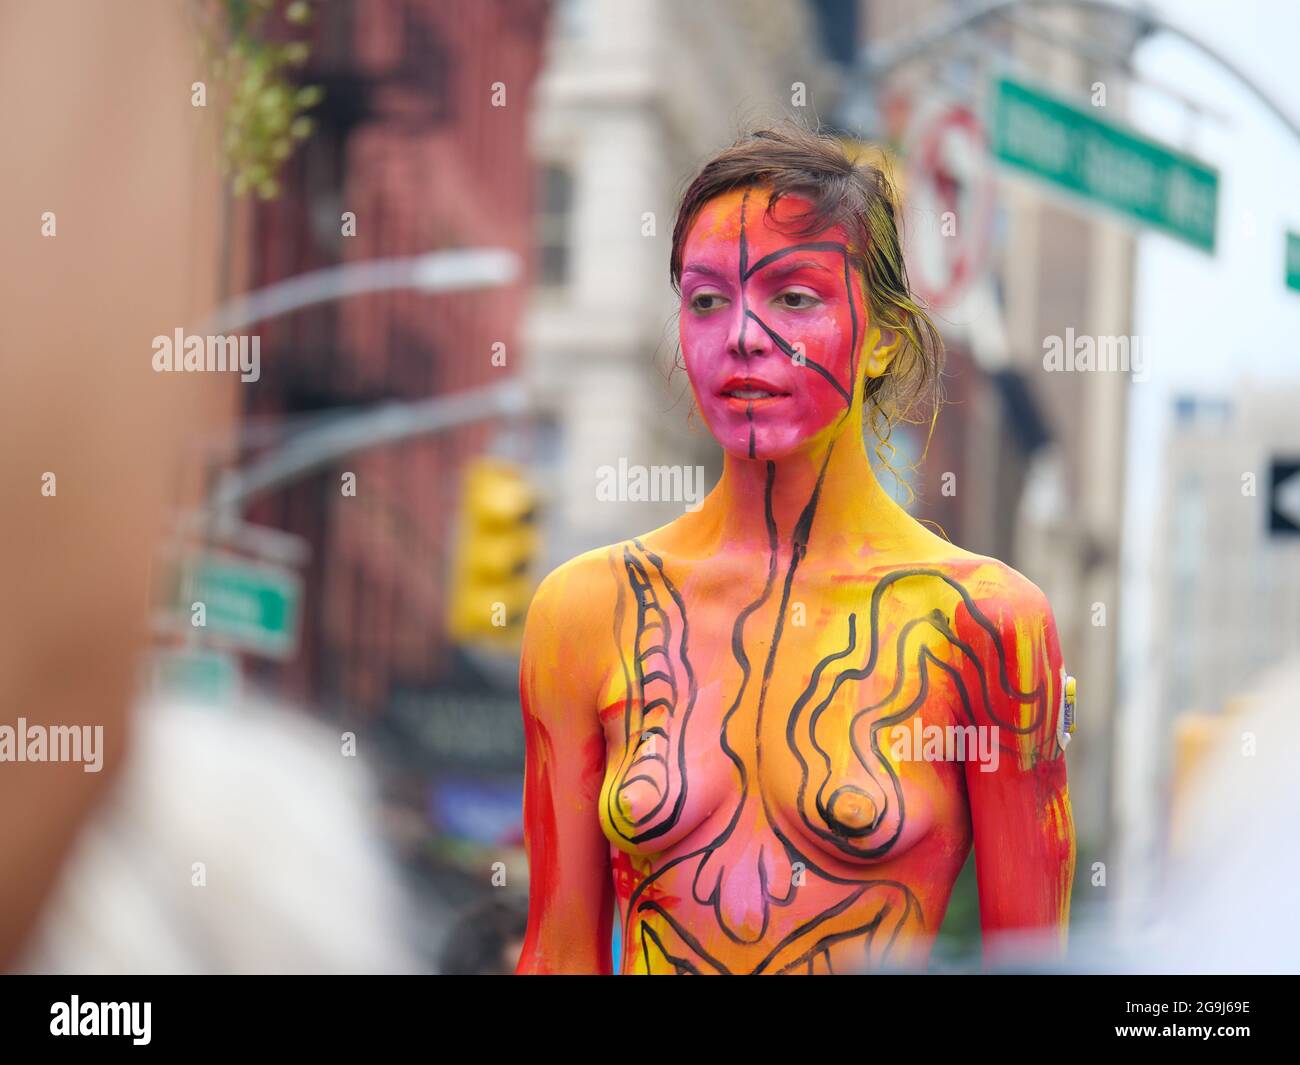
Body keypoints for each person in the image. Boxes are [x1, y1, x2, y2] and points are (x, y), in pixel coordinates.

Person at [515, 123, 1076, 975]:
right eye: (707, 300)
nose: (742, 334)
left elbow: (1034, 965)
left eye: (794, 297)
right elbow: (558, 956)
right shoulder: (584, 610)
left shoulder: (989, 624)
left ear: (885, 335)